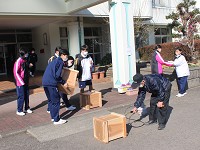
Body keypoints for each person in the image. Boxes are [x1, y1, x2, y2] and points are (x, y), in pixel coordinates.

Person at [42, 48, 69, 125]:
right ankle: (56, 119)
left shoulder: (54, 61)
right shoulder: (60, 62)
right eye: (66, 56)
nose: (66, 57)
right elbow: (57, 76)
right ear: (62, 55)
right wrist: (63, 82)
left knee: (50, 100)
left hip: (45, 82)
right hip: (51, 83)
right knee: (56, 101)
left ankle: (53, 117)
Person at [47, 47, 76, 112]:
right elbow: (56, 70)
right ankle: (51, 110)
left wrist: (69, 64)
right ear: (57, 52)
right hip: (55, 79)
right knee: (56, 95)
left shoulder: (60, 59)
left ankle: (67, 105)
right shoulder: (53, 59)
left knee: (62, 93)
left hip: (58, 78)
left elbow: (64, 67)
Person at [13, 48, 33, 116]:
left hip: (25, 81)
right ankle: (19, 110)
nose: (27, 54)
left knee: (26, 95)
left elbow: (25, 69)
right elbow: (16, 72)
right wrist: (21, 81)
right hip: (20, 82)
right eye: (26, 53)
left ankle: (27, 108)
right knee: (21, 96)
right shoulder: (18, 61)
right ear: (23, 54)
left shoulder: (25, 60)